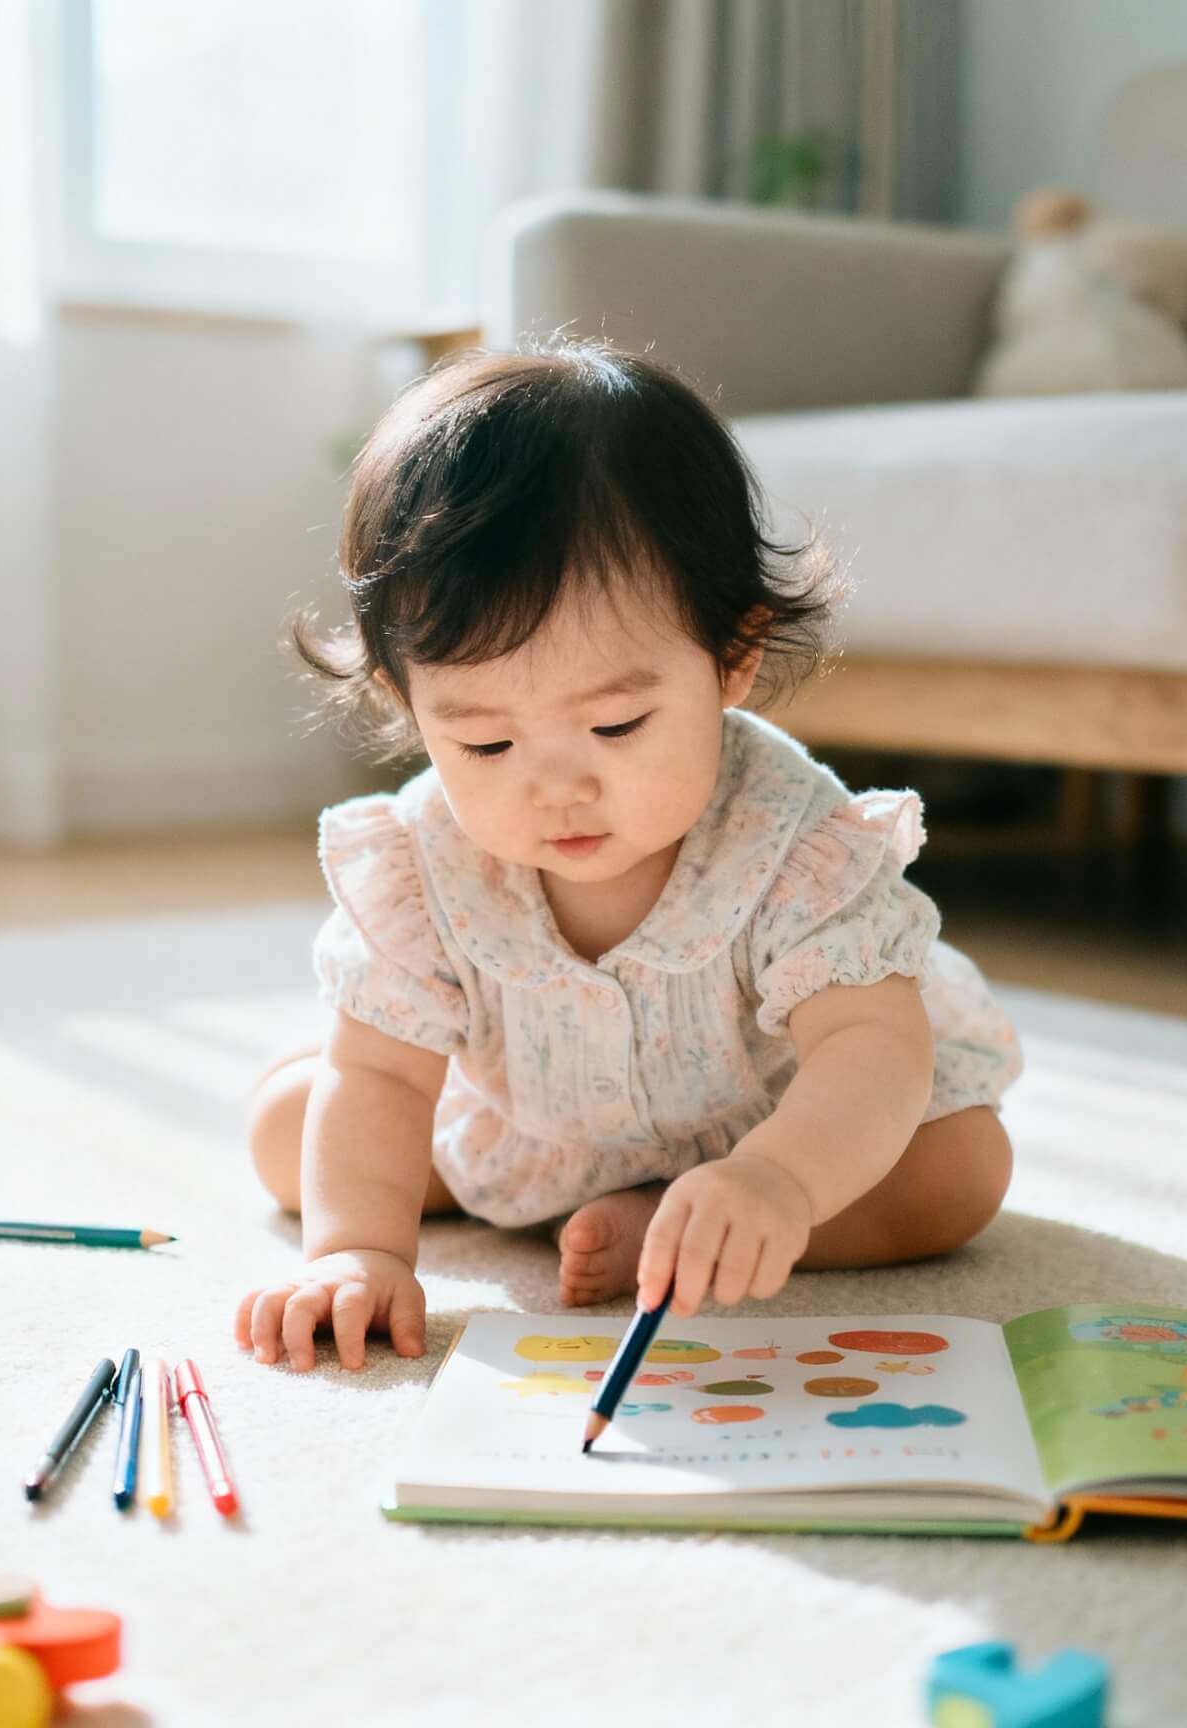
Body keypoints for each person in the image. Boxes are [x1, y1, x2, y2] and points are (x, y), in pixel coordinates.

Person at [236, 340, 1022, 1371]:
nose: (556, 786)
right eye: (485, 743)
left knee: (959, 1172)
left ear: (730, 659)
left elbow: (870, 1050)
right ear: (405, 703)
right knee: (292, 1127)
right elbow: (382, 1072)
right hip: (531, 1125)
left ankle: (695, 1227)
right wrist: (354, 1252)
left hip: (775, 1124)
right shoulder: (427, 863)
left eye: (615, 727)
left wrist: (780, 1181)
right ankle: (590, 1205)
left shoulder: (792, 842)